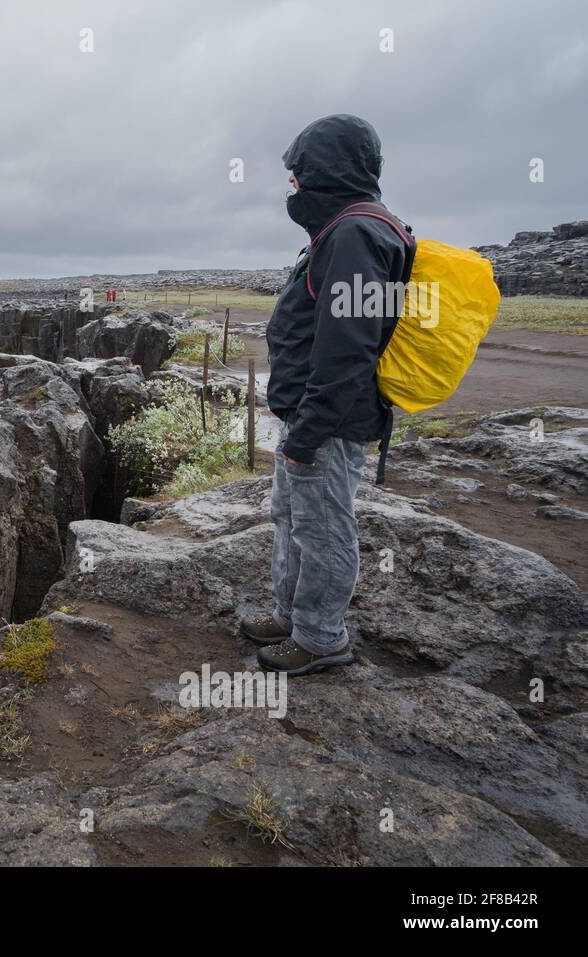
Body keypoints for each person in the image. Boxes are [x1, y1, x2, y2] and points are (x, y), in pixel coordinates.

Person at [242, 113, 411, 676]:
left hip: (329, 422)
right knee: (293, 517)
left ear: (327, 169)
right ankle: (292, 616)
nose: (292, 183)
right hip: (311, 415)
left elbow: (349, 347)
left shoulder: (356, 235)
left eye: (299, 170)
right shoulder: (343, 229)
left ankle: (321, 637)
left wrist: (309, 431)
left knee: (323, 528)